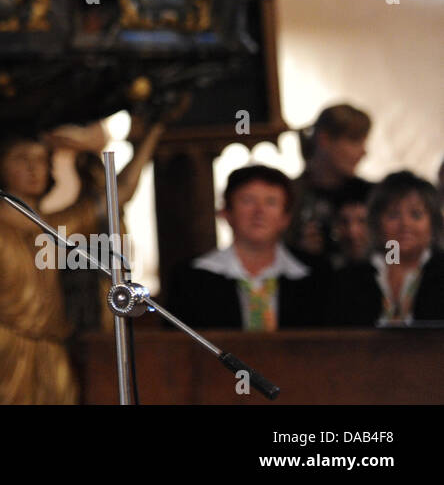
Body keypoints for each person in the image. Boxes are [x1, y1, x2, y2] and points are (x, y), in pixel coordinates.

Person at [0, 126, 158, 405]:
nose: (34, 168)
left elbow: (120, 193)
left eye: (42, 159)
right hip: (1, 342)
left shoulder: (53, 226)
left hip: (51, 345)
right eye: (21, 158)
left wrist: (152, 132)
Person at [166, 165, 325, 330]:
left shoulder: (316, 276)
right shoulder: (191, 278)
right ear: (227, 212)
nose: (259, 212)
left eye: (271, 202)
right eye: (248, 201)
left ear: (285, 217)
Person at [328, 171, 444, 326]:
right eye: (393, 215)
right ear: (376, 223)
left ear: (433, 222)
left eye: (416, 215)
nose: (405, 225)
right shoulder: (350, 278)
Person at [286, 104, 373, 266]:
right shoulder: (289, 196)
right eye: (354, 141)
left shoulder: (370, 194)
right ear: (324, 139)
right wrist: (300, 252)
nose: (363, 152)